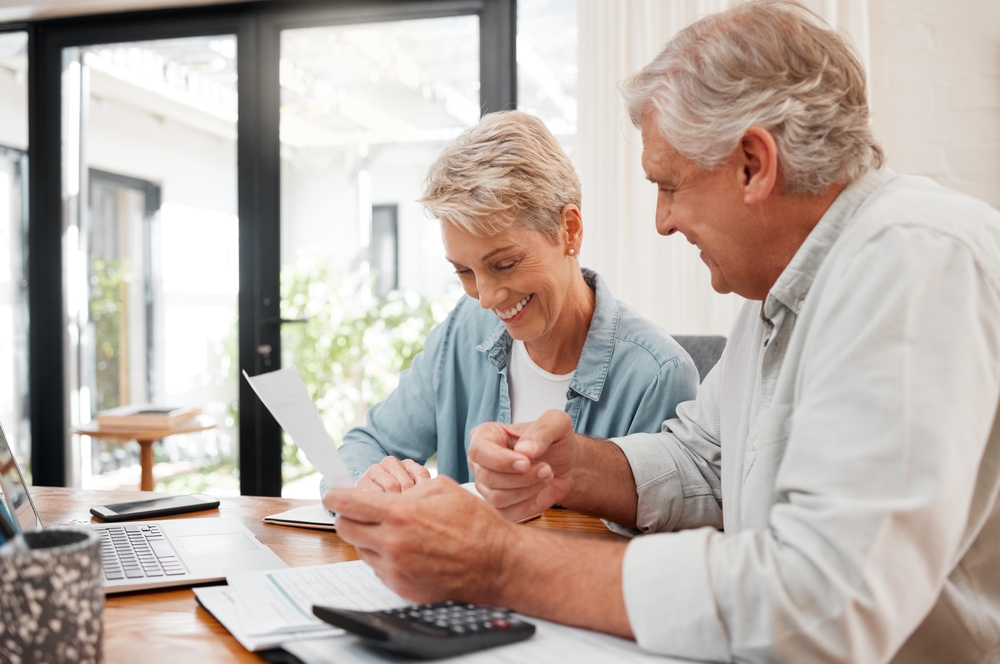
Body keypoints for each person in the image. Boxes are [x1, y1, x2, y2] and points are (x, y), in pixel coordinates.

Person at [323, 2, 1000, 662]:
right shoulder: (779, 298)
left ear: (753, 165)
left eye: (669, 185)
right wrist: (574, 467)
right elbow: (704, 464)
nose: (661, 222)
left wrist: (498, 562)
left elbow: (825, 602)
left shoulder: (914, 259)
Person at [334, 110, 699, 493]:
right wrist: (371, 479)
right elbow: (364, 445)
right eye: (464, 272)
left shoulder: (658, 376)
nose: (487, 297)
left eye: (504, 264)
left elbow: (650, 541)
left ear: (569, 230)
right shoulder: (465, 330)